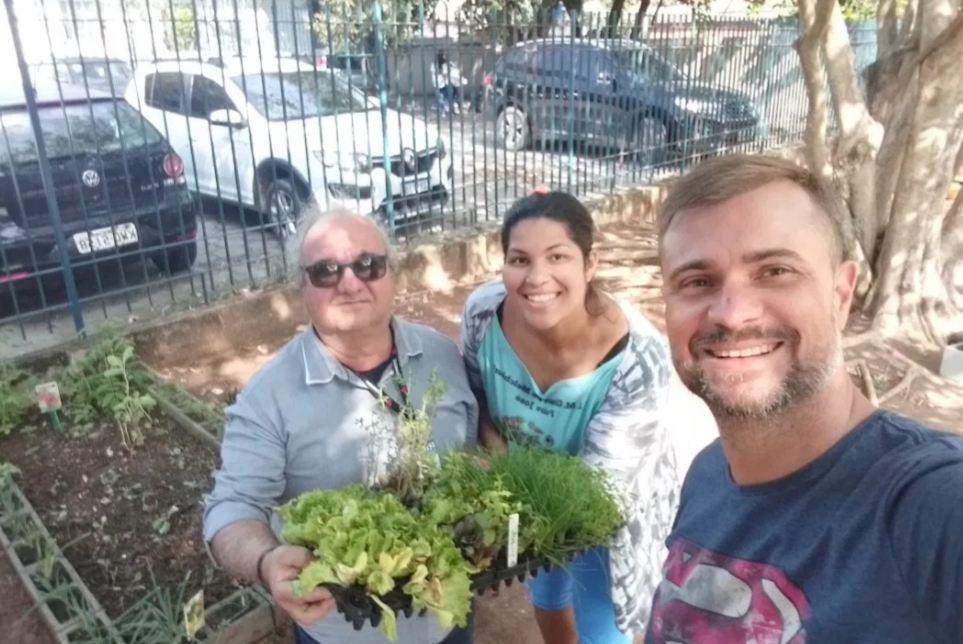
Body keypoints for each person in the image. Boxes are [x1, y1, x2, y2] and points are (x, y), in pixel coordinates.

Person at [647, 153, 963, 643]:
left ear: (841, 294)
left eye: (775, 271)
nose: (732, 314)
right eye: (697, 282)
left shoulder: (929, 506)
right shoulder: (709, 474)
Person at [203, 210, 480, 644]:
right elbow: (231, 509)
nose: (350, 283)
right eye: (326, 271)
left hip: (446, 621)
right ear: (302, 288)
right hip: (341, 635)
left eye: (368, 265)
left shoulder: (443, 355)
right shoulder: (268, 396)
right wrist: (265, 560)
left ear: (392, 274)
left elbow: (476, 452)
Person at [460, 190, 683, 643]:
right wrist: (497, 464)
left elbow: (594, 497)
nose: (536, 277)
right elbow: (476, 394)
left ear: (590, 263)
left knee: (601, 626)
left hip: (607, 506)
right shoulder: (484, 316)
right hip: (525, 489)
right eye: (519, 259)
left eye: (557, 256)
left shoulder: (636, 361)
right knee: (546, 588)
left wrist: (501, 509)